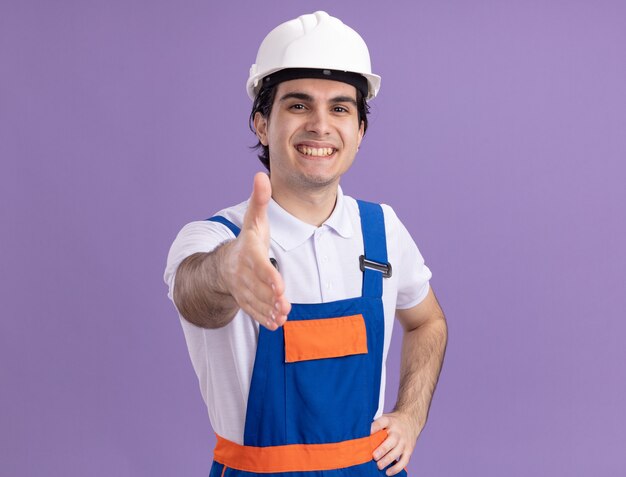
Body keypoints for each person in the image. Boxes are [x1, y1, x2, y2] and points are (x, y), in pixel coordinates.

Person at [164, 11, 447, 477]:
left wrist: (411, 417)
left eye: (340, 108)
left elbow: (428, 321)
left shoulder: (383, 231)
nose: (320, 125)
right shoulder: (215, 238)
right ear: (260, 122)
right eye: (298, 105)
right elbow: (195, 295)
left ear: (359, 131)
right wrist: (228, 271)